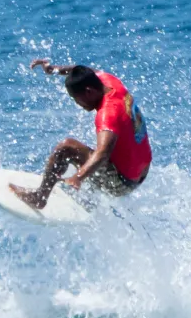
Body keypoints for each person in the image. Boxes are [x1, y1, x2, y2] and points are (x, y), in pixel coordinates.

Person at [10, 59, 152, 210]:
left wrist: (78, 177)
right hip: (141, 171)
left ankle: (39, 198)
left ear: (89, 92)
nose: (78, 104)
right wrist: (54, 69)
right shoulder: (110, 82)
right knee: (85, 153)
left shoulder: (108, 114)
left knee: (66, 148)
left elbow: (103, 153)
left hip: (123, 183)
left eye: (77, 99)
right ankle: (88, 199)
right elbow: (85, 70)